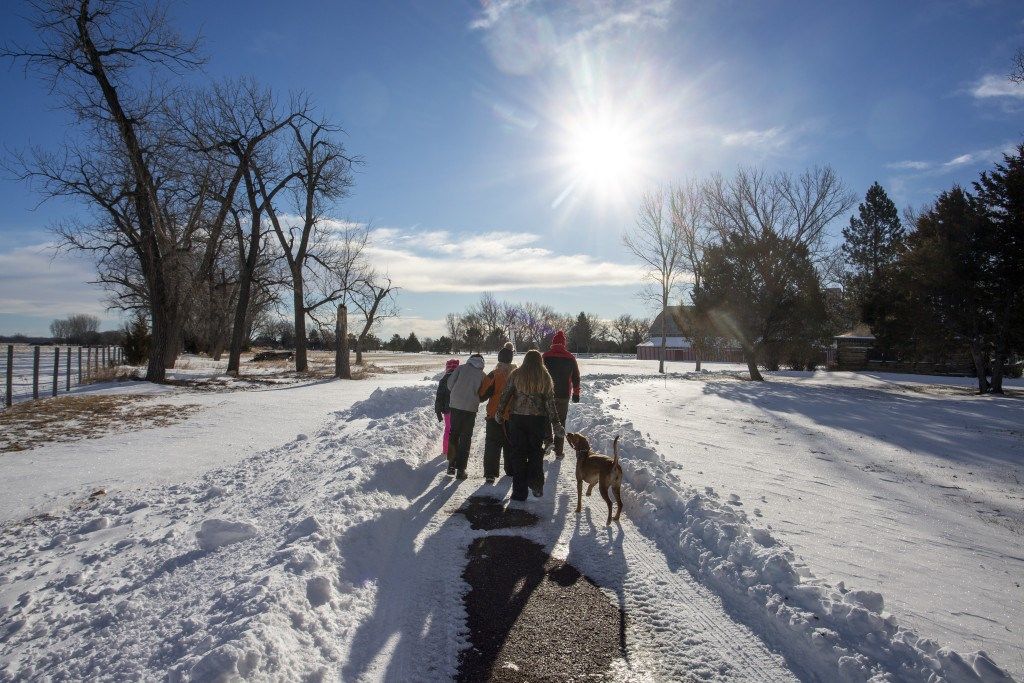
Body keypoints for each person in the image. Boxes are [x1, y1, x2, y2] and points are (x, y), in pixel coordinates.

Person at [496, 349, 564, 502]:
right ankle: (537, 485)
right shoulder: (545, 377)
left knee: (518, 454)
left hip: (517, 418)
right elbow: (550, 404)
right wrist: (556, 424)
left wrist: (500, 412)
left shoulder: (516, 374)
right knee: (535, 453)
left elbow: (505, 394)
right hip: (537, 420)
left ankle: (519, 493)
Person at [478, 342, 517, 484]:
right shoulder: (516, 375)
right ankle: (511, 470)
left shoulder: (494, 374)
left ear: (499, 359)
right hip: (512, 416)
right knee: (510, 444)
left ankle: (490, 473)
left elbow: (482, 395)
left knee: (492, 444)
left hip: (494, 415)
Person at [445, 353, 486, 479]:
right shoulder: (482, 375)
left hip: (456, 405)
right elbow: (483, 393)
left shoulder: (460, 368)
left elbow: (450, 384)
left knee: (454, 434)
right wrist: (475, 399)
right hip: (470, 408)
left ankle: (451, 465)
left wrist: (457, 393)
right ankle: (461, 470)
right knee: (465, 438)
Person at [542, 329, 580, 459]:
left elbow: (540, 375)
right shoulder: (570, 357)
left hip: (548, 393)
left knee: (546, 418)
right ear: (564, 343)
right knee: (560, 421)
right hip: (564, 394)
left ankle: (548, 441)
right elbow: (576, 377)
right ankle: (559, 451)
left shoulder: (545, 356)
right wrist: (576, 393)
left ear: (553, 343)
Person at [435, 358, 459, 463]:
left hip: (447, 409)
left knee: (448, 429)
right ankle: (455, 450)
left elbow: (439, 396)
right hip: (457, 408)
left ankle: (445, 450)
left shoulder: (444, 379)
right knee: (457, 430)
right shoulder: (459, 378)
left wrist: (438, 410)